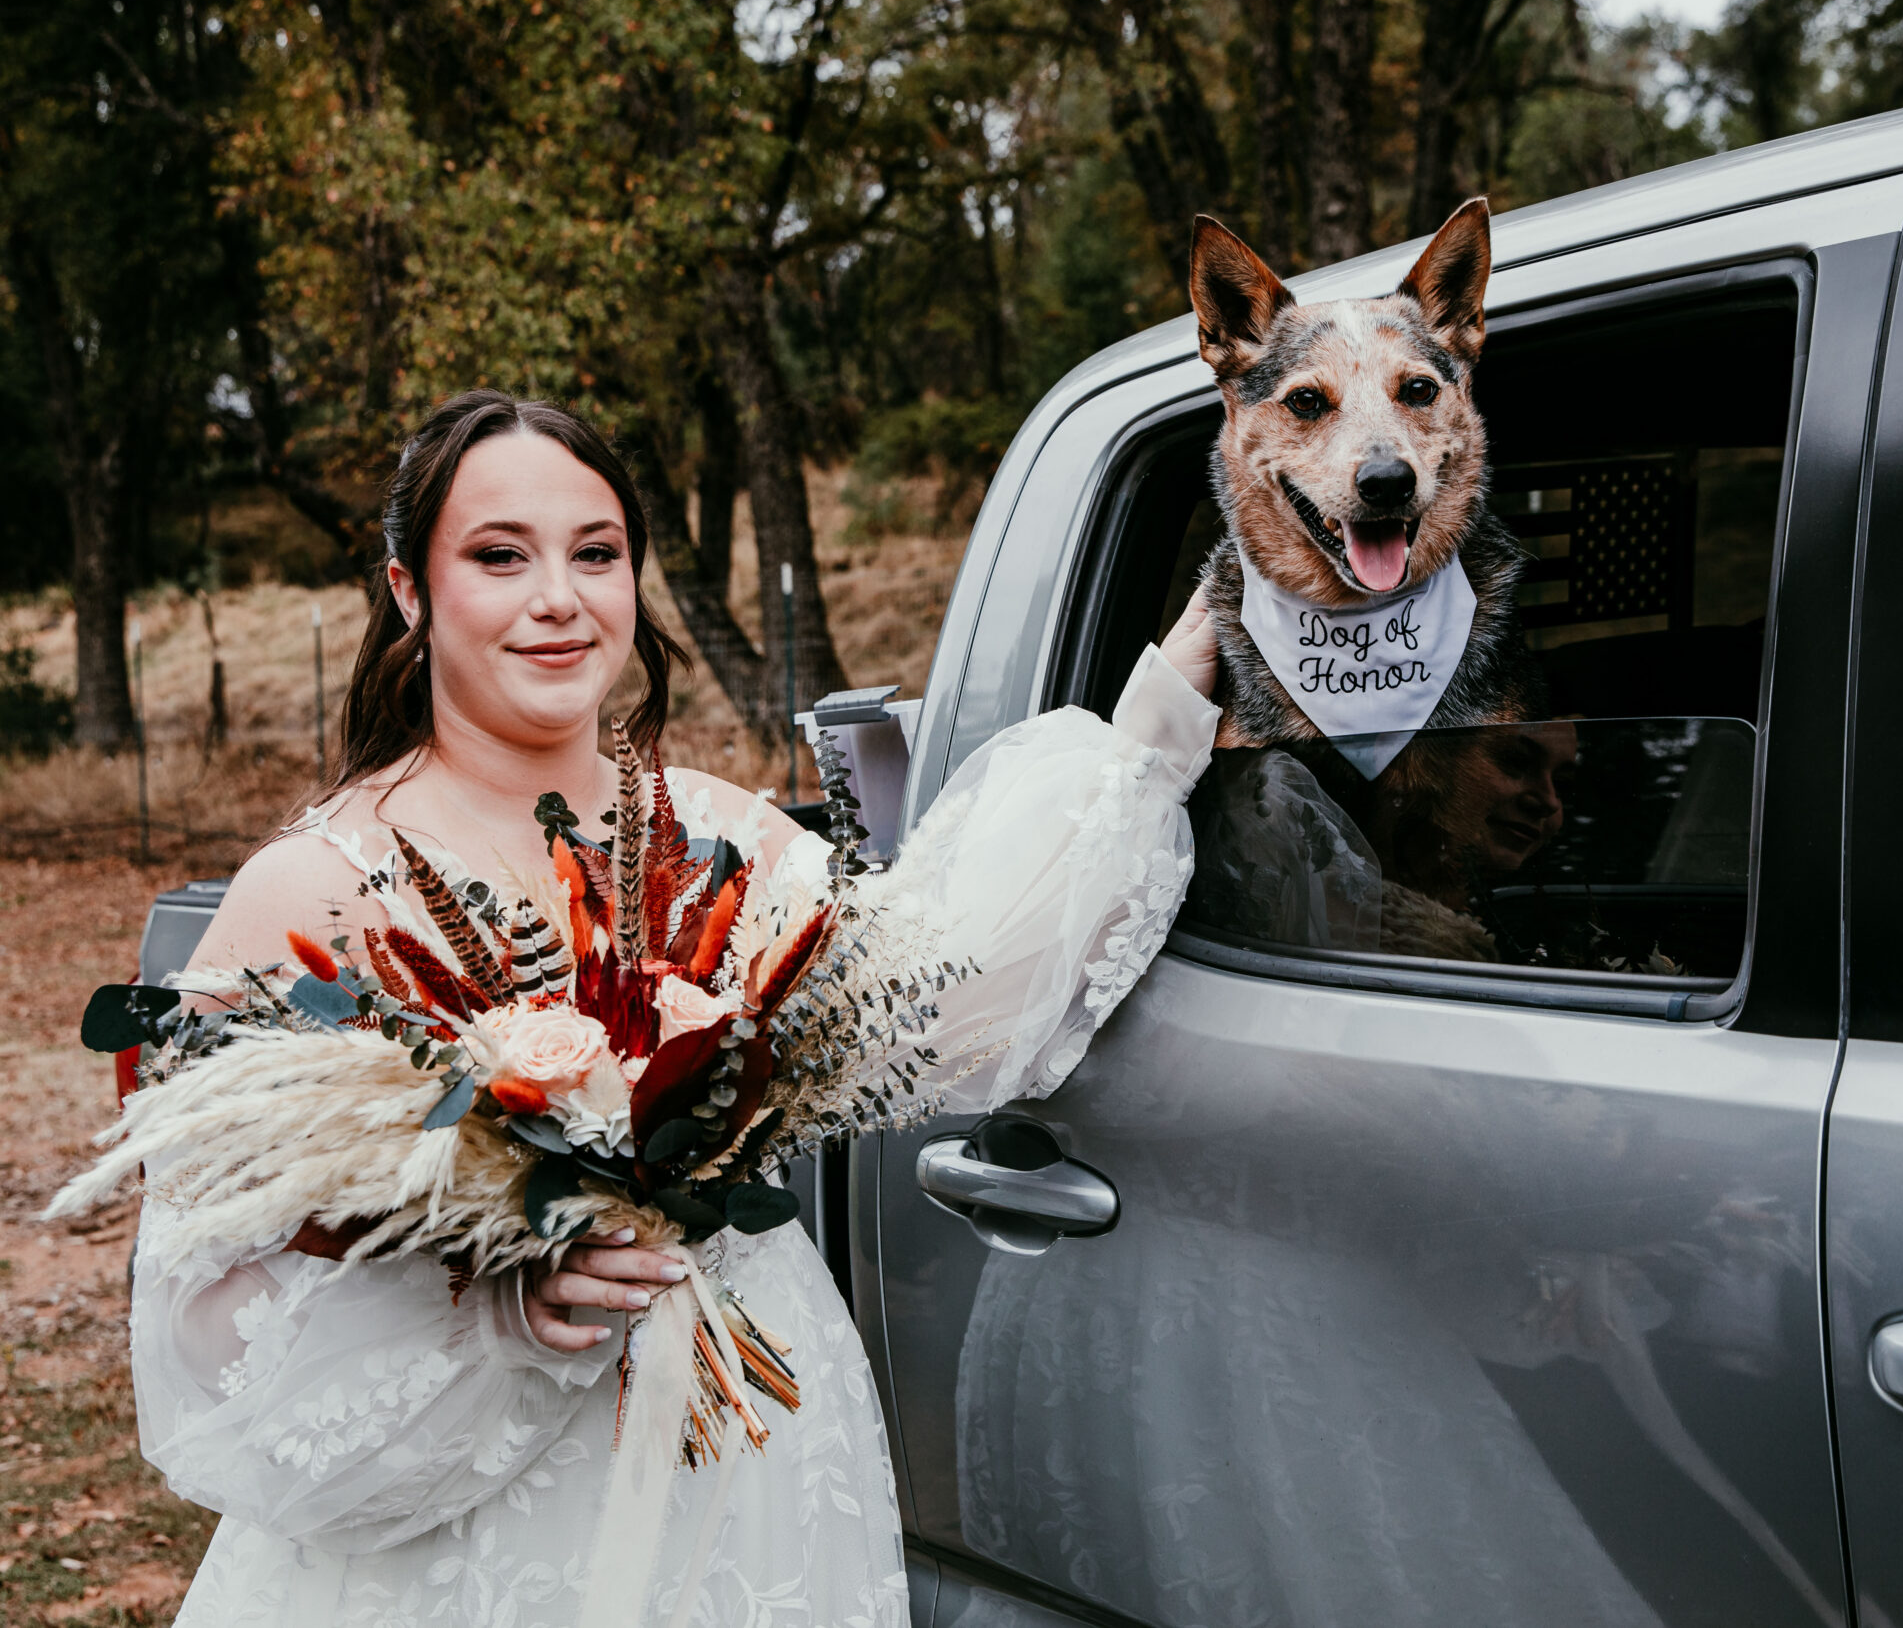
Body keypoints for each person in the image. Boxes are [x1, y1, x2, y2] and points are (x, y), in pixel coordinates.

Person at [126, 390, 1222, 1627]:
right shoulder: (313, 888)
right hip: (483, 1530)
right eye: (499, 556)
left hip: (749, 1454)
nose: (559, 597)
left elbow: (951, 1001)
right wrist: (498, 1316)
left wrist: (1168, 705)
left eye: (596, 554)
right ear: (408, 590)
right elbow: (204, 1290)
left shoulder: (721, 834)